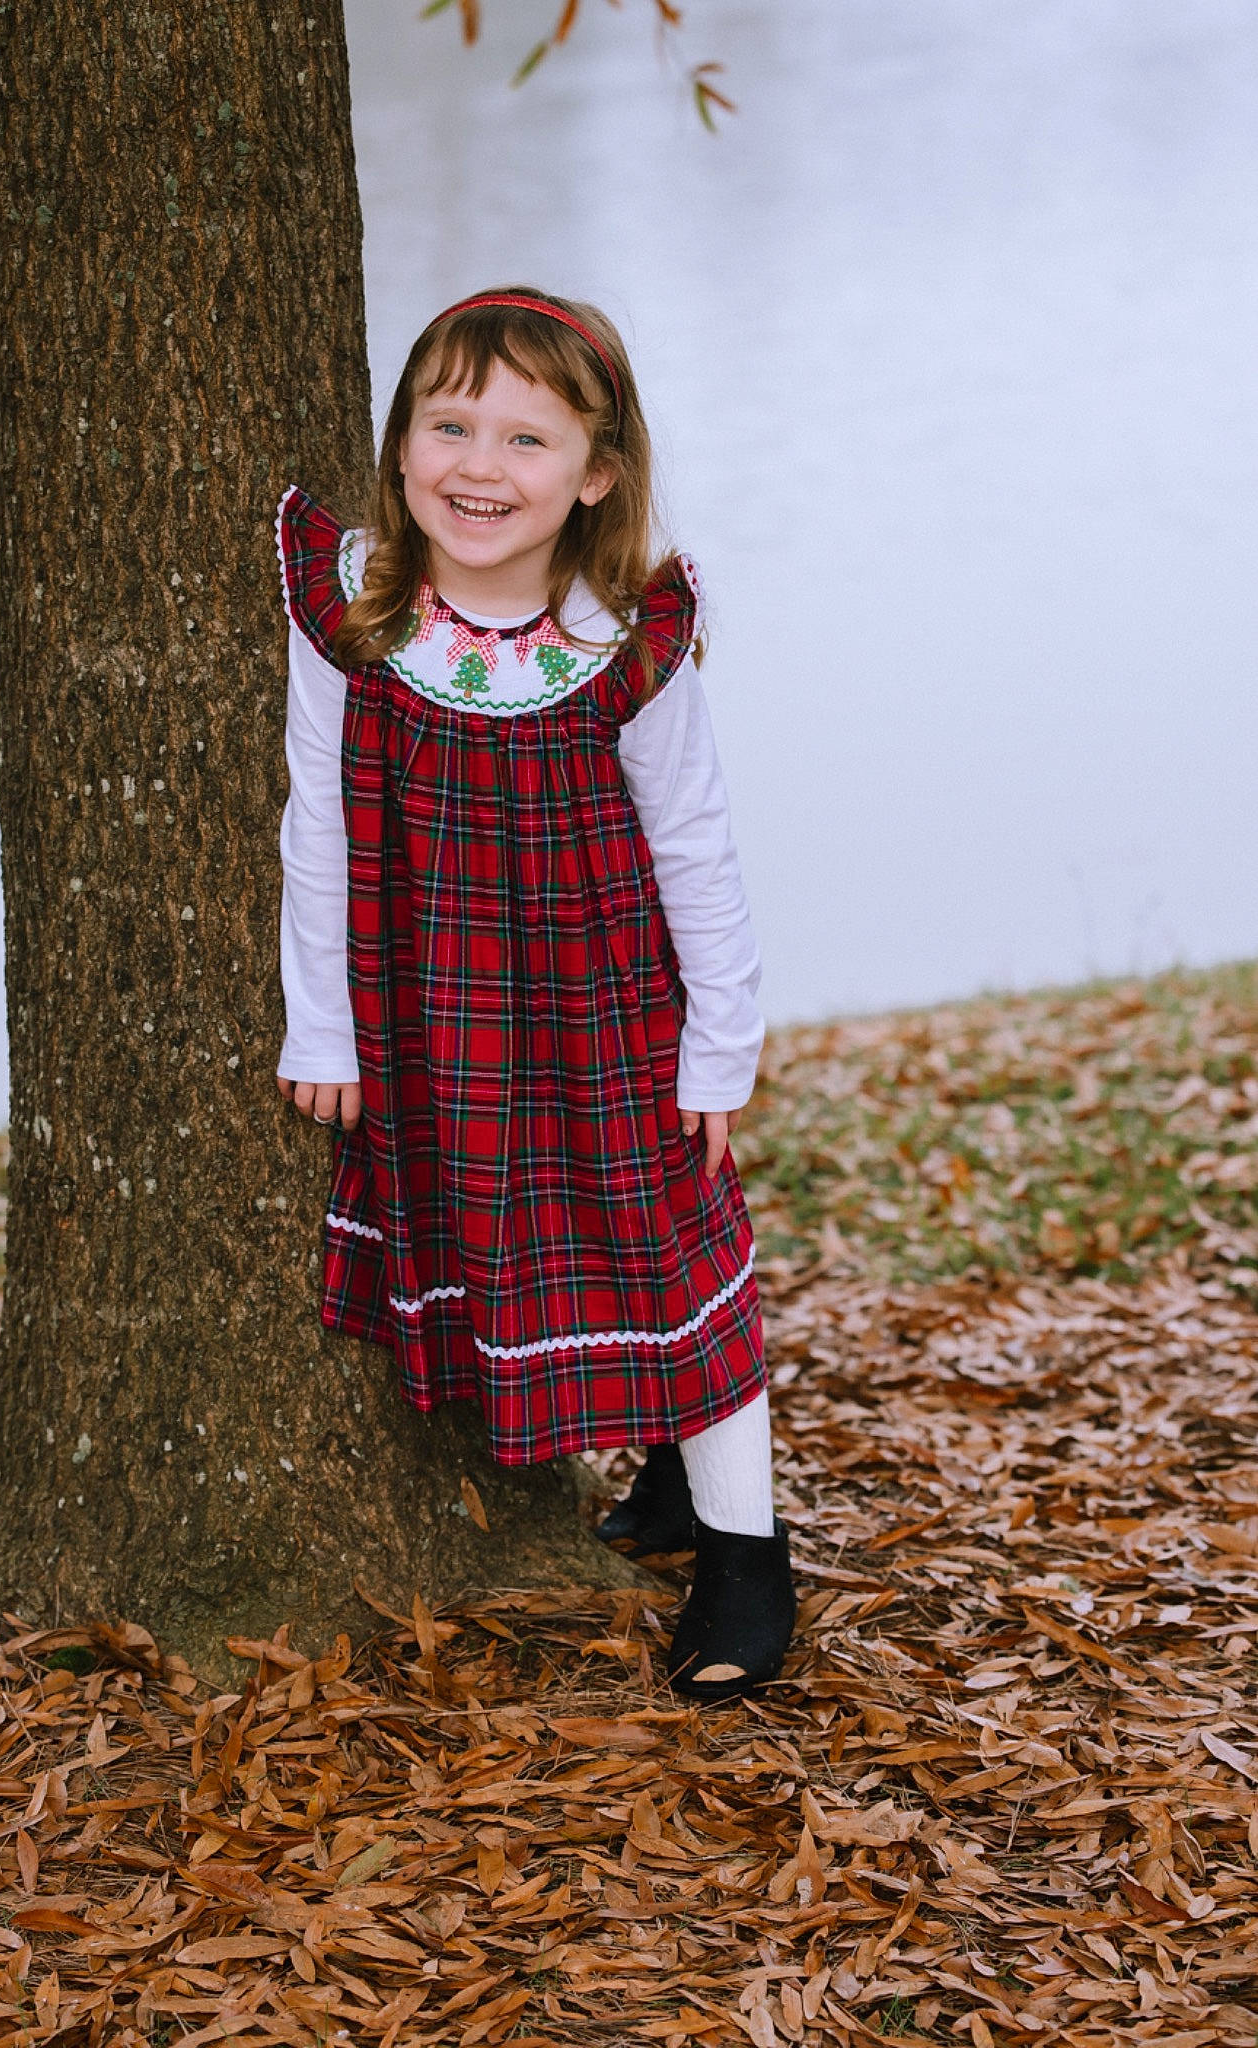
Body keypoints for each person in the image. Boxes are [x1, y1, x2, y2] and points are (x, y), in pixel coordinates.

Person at [273, 286, 795, 1702]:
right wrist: (321, 1021)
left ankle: (746, 1553)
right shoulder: (360, 614)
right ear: (401, 445)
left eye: (524, 438)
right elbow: (313, 821)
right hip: (434, 1010)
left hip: (612, 1005)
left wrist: (719, 1050)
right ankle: (677, 1488)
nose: (478, 468)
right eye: (448, 425)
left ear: (597, 473)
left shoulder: (624, 636)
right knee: (512, 1249)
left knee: (674, 1260)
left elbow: (695, 838)